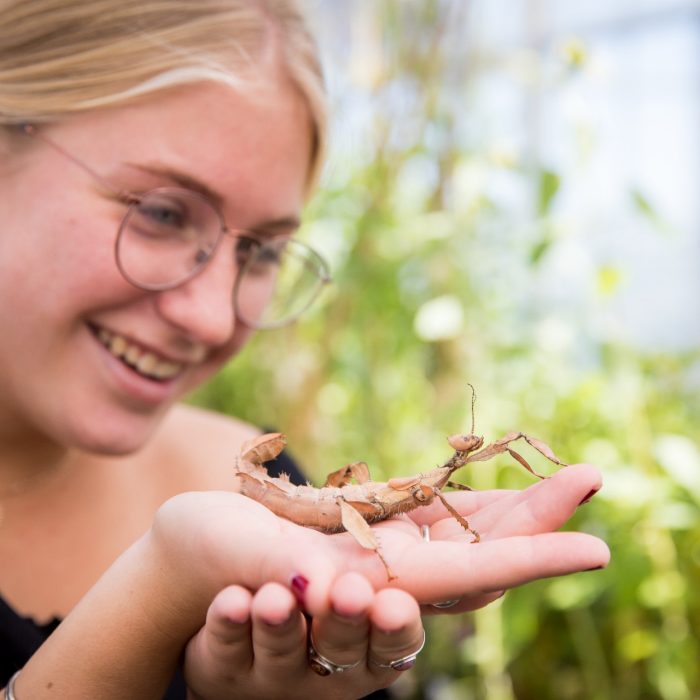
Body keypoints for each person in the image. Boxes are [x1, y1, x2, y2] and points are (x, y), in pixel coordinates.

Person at [0, 1, 610, 698]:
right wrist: (156, 595)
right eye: (161, 213)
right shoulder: (256, 515)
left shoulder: (276, 505)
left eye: (262, 251)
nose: (209, 318)